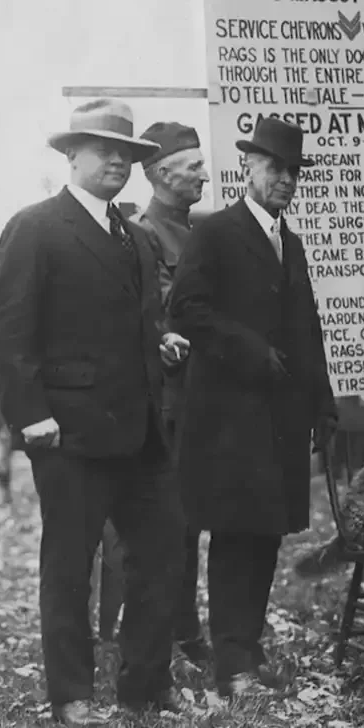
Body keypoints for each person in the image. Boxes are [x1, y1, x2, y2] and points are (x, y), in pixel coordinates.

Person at [0, 98, 190, 724]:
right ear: (72, 155)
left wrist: (158, 340)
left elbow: (126, 318)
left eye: (126, 153)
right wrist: (30, 415)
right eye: (104, 150)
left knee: (162, 557)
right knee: (70, 567)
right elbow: (7, 332)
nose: (116, 162)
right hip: (68, 434)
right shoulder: (36, 226)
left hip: (139, 433)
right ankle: (71, 693)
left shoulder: (129, 234)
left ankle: (146, 684)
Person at [168, 117, 337, 696]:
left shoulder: (289, 242)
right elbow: (186, 309)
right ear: (249, 167)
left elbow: (308, 329)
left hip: (282, 421)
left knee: (264, 534)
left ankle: (248, 648)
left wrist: (324, 403)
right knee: (237, 532)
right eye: (274, 169)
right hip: (229, 420)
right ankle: (231, 664)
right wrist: (249, 349)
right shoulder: (215, 232)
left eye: (293, 172)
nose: (285, 180)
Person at [129, 121, 212, 664]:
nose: (205, 173)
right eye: (193, 166)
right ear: (161, 173)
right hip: (170, 404)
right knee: (165, 527)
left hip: (206, 400)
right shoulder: (142, 234)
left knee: (193, 524)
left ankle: (185, 628)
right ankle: (164, 636)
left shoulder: (201, 230)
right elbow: (162, 313)